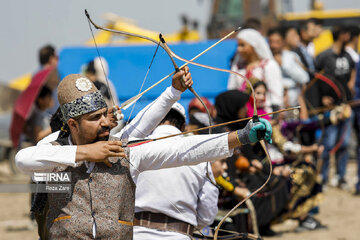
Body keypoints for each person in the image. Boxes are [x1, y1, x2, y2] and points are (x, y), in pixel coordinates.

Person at [16, 72, 272, 239]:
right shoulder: (55, 152)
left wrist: (241, 136)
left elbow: (179, 151)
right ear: (72, 125)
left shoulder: (122, 151)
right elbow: (23, 160)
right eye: (95, 119)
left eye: (106, 115)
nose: (106, 123)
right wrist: (86, 153)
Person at [134, 102, 219, 240]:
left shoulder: (135, 148)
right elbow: (207, 210)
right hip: (178, 236)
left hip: (137, 234)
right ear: (183, 127)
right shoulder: (199, 153)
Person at [315, 25, 356, 188]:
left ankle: (341, 177)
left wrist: (351, 84)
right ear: (342, 35)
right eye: (348, 33)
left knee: (344, 144)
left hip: (345, 105)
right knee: (329, 143)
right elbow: (315, 79)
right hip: (329, 108)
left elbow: (352, 71)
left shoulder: (348, 56)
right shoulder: (324, 56)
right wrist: (321, 98)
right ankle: (323, 178)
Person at [227, 28, 283, 112]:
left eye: (242, 45)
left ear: (254, 46)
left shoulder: (268, 65)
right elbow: (231, 91)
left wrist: (275, 114)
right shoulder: (238, 67)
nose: (239, 49)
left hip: (265, 115)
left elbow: (276, 93)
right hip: (242, 116)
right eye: (238, 45)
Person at [268, 27, 309, 107]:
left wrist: (283, 65)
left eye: (277, 42)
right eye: (271, 42)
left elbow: (304, 78)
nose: (274, 45)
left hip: (293, 103)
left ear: (283, 42)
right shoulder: (265, 58)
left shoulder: (291, 56)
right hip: (274, 102)